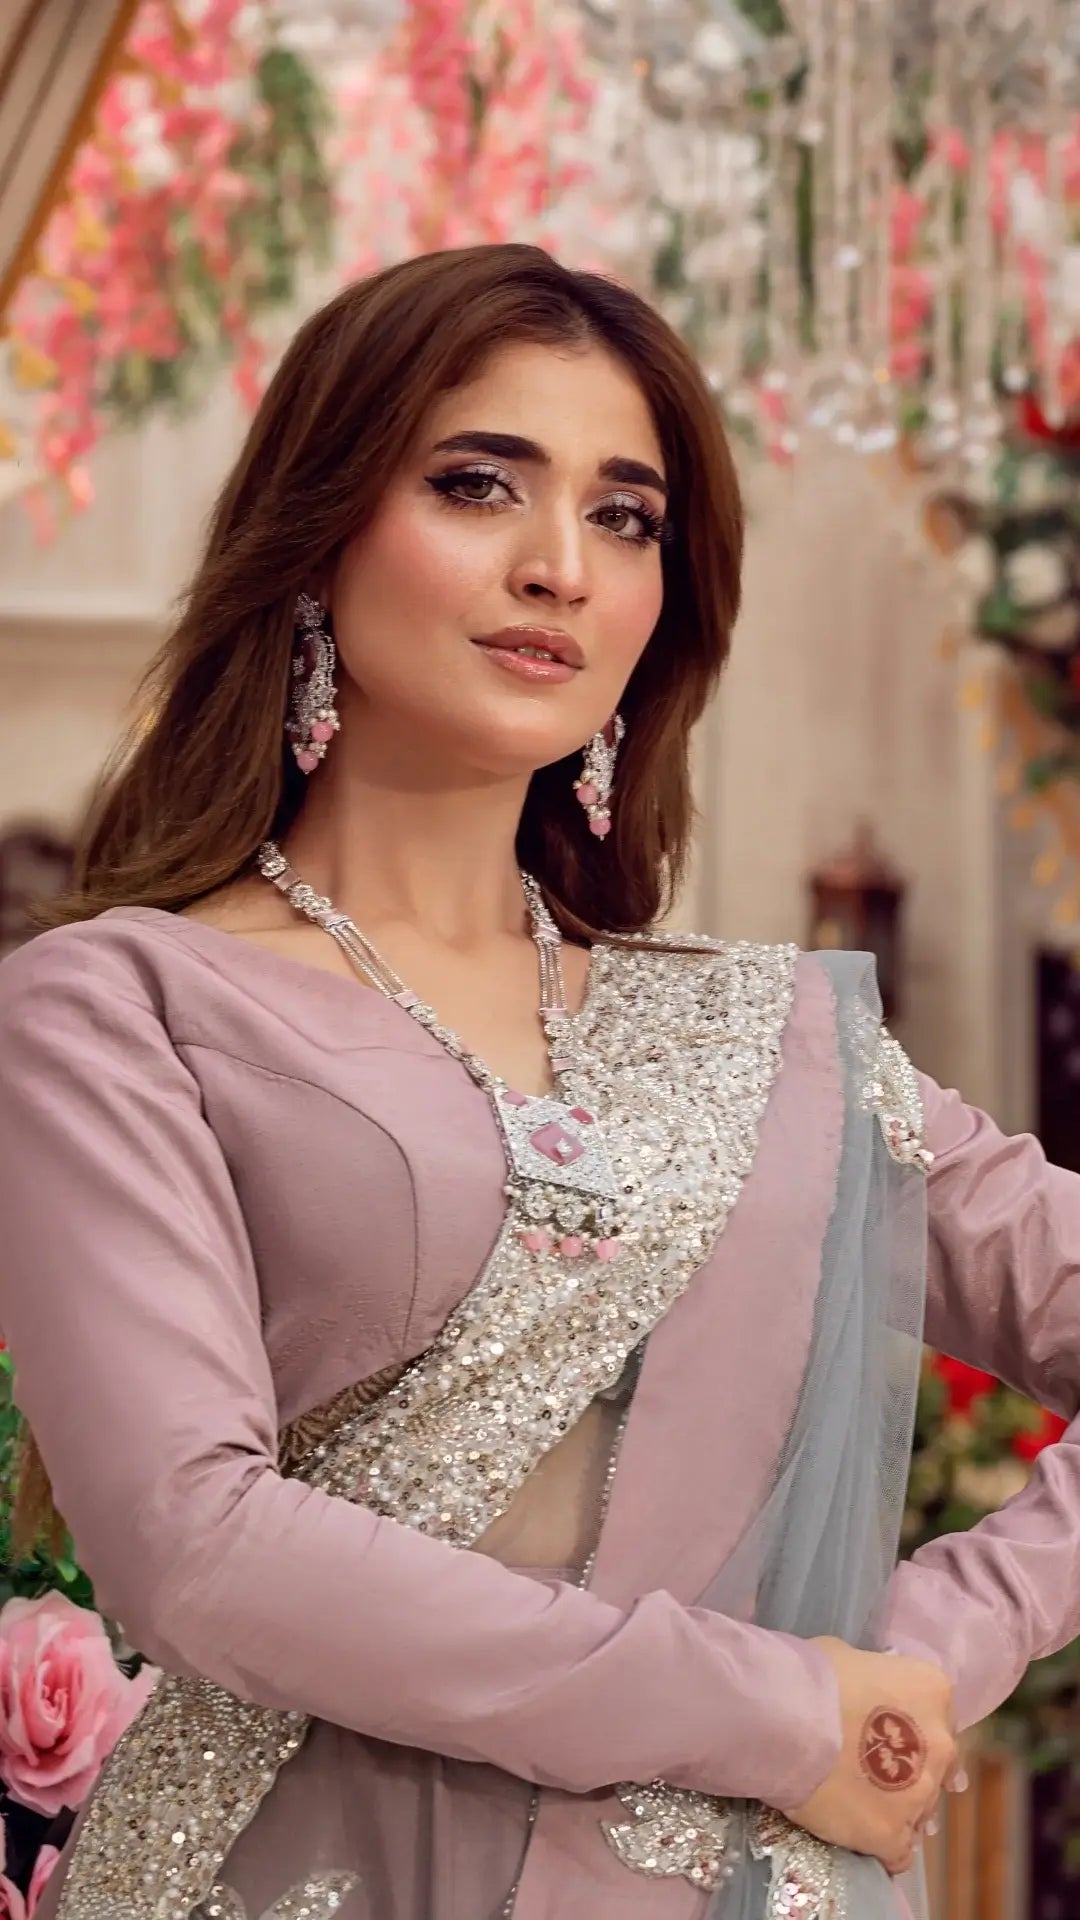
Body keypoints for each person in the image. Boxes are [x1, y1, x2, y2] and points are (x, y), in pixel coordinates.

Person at [0, 244, 1076, 1920]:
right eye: (478, 483)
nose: (558, 566)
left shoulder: (769, 1041)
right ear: (320, 529)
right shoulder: (119, 1007)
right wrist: (778, 1709)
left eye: (626, 515)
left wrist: (940, 1640)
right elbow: (194, 1542)